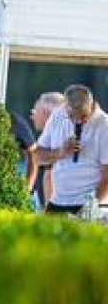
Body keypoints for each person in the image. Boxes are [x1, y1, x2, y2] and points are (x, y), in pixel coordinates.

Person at [35, 85, 108, 214]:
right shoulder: (57, 115)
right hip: (57, 202)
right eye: (72, 116)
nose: (78, 121)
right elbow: (38, 157)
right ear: (65, 106)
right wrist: (60, 152)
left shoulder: (104, 125)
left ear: (92, 105)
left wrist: (90, 208)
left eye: (83, 116)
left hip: (91, 205)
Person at [30, 91, 67, 210]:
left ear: (48, 115)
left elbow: (49, 177)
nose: (32, 116)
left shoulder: (56, 144)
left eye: (35, 112)